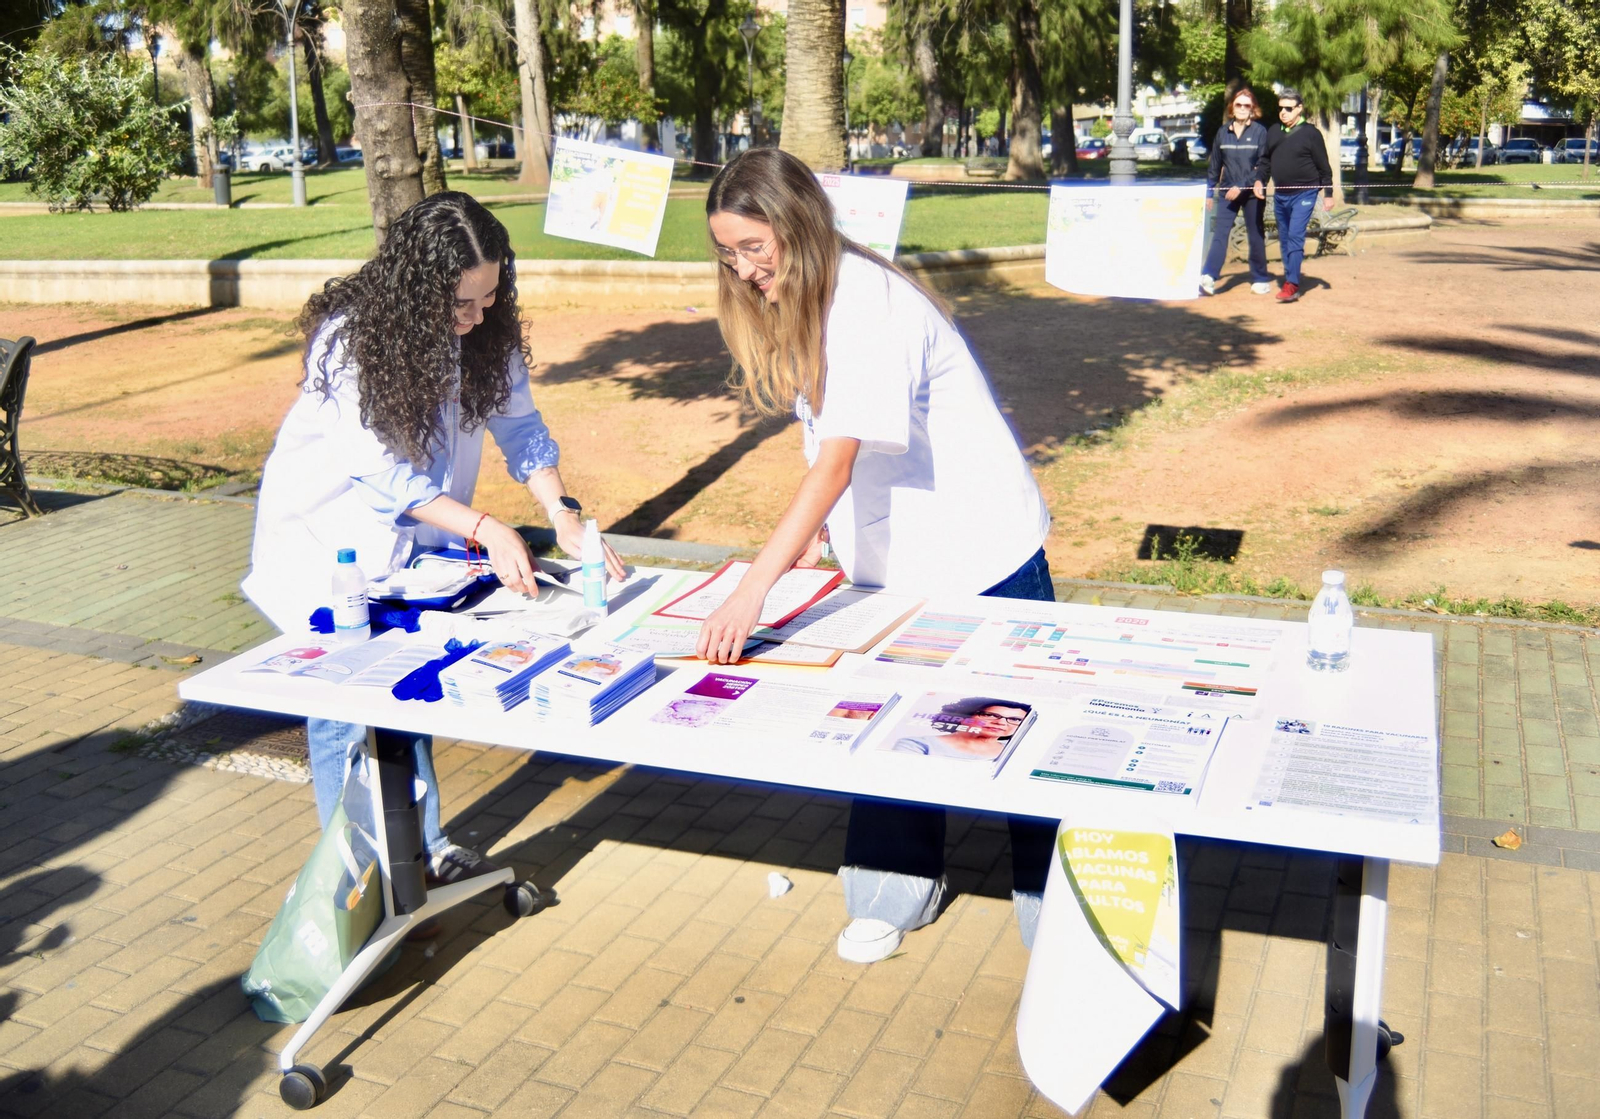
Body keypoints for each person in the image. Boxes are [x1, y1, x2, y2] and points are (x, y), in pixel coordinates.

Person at [691, 147, 1056, 965]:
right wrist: (827, 540)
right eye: (729, 252)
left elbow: (837, 462)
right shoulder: (807, 297)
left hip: (984, 553)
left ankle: (1056, 905)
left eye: (756, 247)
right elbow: (828, 437)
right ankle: (894, 887)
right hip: (896, 563)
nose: (744, 269)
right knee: (893, 727)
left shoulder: (868, 302)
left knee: (1022, 743)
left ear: (799, 224)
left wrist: (756, 588)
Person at [242, 191, 625, 908]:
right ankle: (360, 873)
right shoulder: (351, 340)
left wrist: (560, 509)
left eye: (488, 299)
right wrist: (486, 527)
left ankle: (423, 841)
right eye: (462, 303)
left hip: (415, 550)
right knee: (343, 710)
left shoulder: (487, 331)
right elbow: (387, 480)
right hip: (329, 545)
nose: (476, 317)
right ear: (417, 289)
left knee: (406, 682)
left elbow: (521, 427)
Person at [1259, 88, 1334, 304]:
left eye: (1288, 108)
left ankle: (1291, 284)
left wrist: (1328, 194)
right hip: (1280, 195)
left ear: (1299, 109)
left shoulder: (1311, 133)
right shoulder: (1273, 131)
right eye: (1281, 108)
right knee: (1285, 238)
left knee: (1295, 235)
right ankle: (1289, 276)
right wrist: (1259, 182)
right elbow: (1264, 161)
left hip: (1305, 192)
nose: (1283, 112)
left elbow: (1324, 168)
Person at [1199, 86, 1272, 297]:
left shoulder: (1260, 132)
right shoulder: (1223, 133)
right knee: (1220, 235)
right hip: (1226, 193)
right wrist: (1209, 192)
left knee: (1255, 234)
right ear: (1232, 108)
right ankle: (1209, 277)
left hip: (1251, 193)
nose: (1242, 108)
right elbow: (1215, 166)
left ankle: (1260, 278)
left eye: (1246, 105)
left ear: (1253, 109)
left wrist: (1242, 186)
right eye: (1238, 104)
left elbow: (1262, 165)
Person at [891, 698, 1033, 760]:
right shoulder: (915, 744)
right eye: (990, 715)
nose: (1001, 722)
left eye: (1015, 719)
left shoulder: (1016, 752)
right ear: (964, 716)